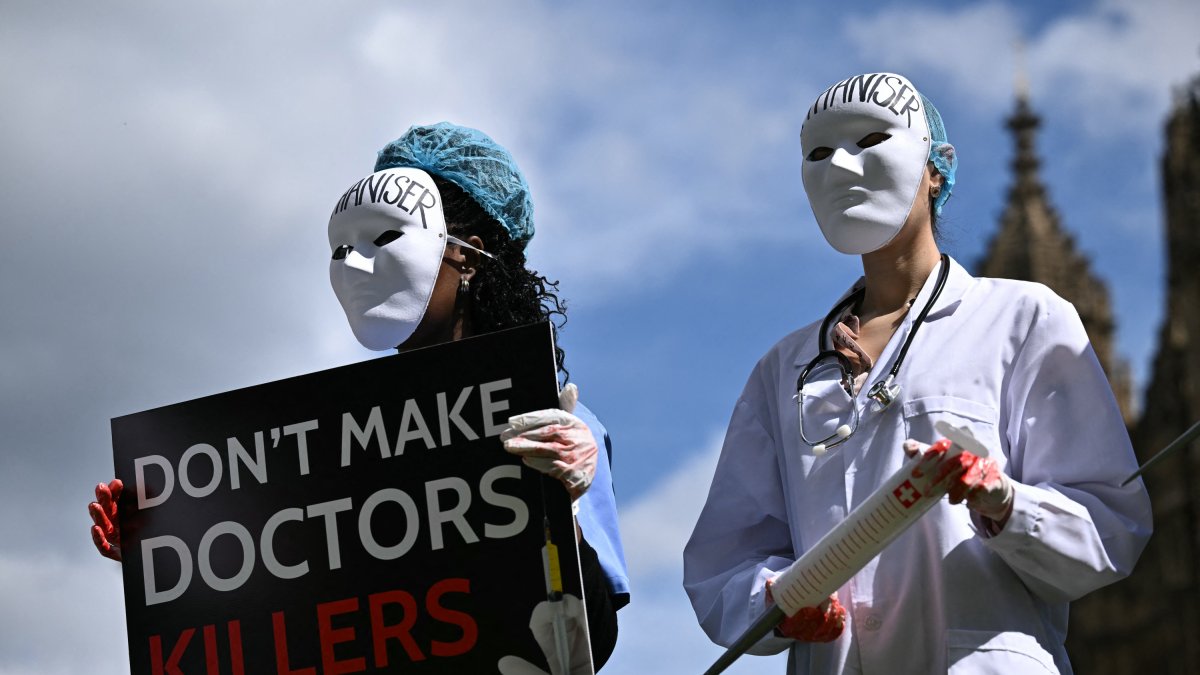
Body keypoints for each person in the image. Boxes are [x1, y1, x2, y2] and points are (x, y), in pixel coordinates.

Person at [90, 122, 629, 671]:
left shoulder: (556, 424)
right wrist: (163, 546)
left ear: (467, 254)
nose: (350, 262)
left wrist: (565, 510)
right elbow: (285, 628)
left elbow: (591, 643)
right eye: (339, 248)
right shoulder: (320, 444)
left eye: (385, 236)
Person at [682, 72, 1152, 674]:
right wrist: (775, 599)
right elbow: (726, 561)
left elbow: (1110, 527)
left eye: (870, 140)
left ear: (937, 168)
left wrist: (1004, 502)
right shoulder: (783, 369)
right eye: (818, 153)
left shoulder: (1023, 319)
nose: (842, 167)